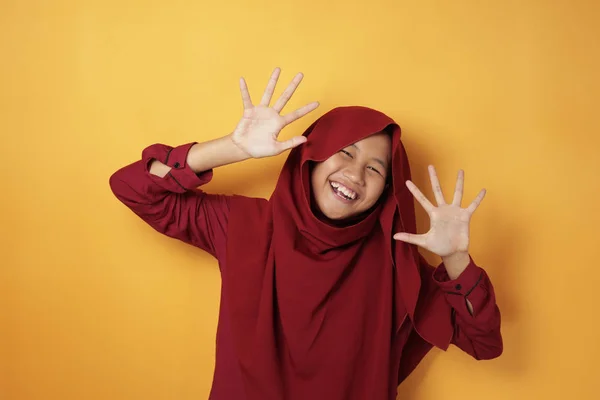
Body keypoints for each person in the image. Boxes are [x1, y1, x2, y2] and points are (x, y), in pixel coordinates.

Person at [109, 67, 502, 400]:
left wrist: (455, 259)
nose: (354, 174)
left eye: (375, 169)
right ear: (311, 158)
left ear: (386, 192)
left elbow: (484, 342)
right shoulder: (245, 224)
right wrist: (231, 148)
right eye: (345, 152)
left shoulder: (398, 266)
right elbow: (133, 187)